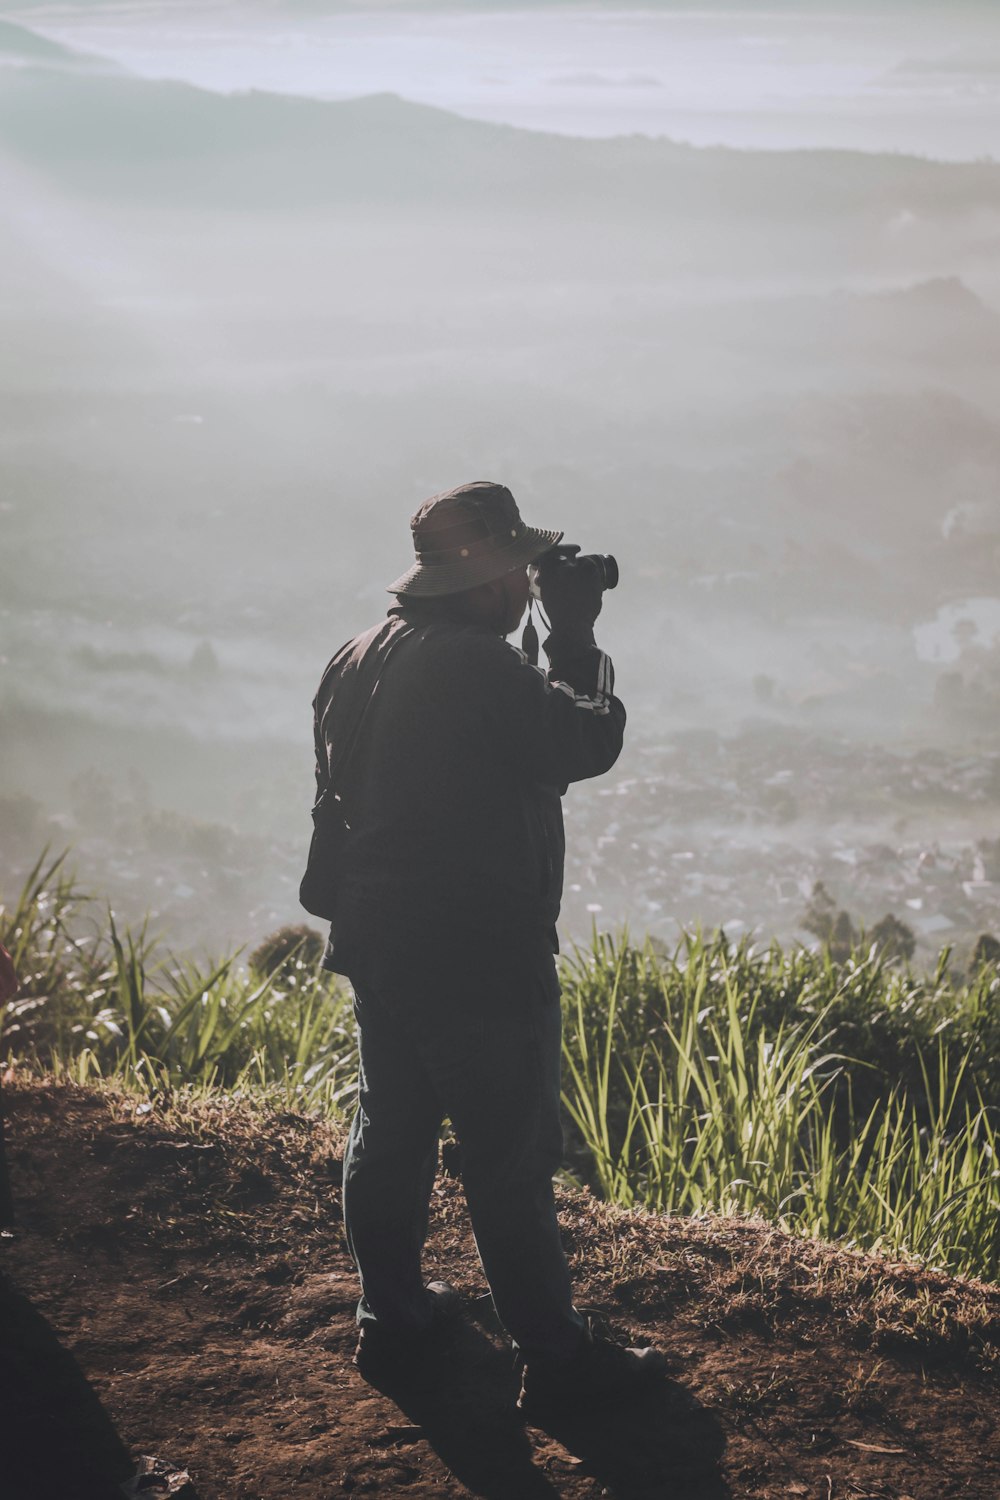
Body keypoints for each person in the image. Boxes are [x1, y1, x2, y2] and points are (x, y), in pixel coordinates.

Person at [311, 480, 664, 1409]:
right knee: (507, 1152)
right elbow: (584, 744)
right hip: (476, 952)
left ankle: (391, 1320)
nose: (527, 588)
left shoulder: (361, 652)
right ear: (483, 581)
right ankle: (554, 1357)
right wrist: (577, 634)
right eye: (519, 571)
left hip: (377, 935)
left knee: (390, 1129)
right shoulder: (478, 665)